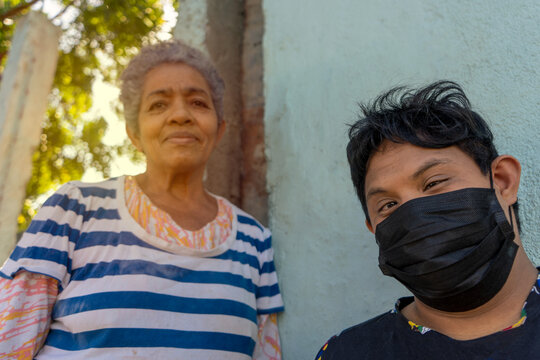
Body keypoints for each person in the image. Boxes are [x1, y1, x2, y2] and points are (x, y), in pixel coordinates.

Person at [0, 40, 284, 359]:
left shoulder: (254, 241)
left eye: (198, 103)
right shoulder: (74, 209)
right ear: (134, 133)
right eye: (158, 105)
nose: (180, 115)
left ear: (219, 130)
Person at [316, 80, 539, 359]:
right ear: (373, 230)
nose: (413, 215)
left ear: (502, 182)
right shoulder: (347, 353)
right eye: (388, 204)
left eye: (434, 183)